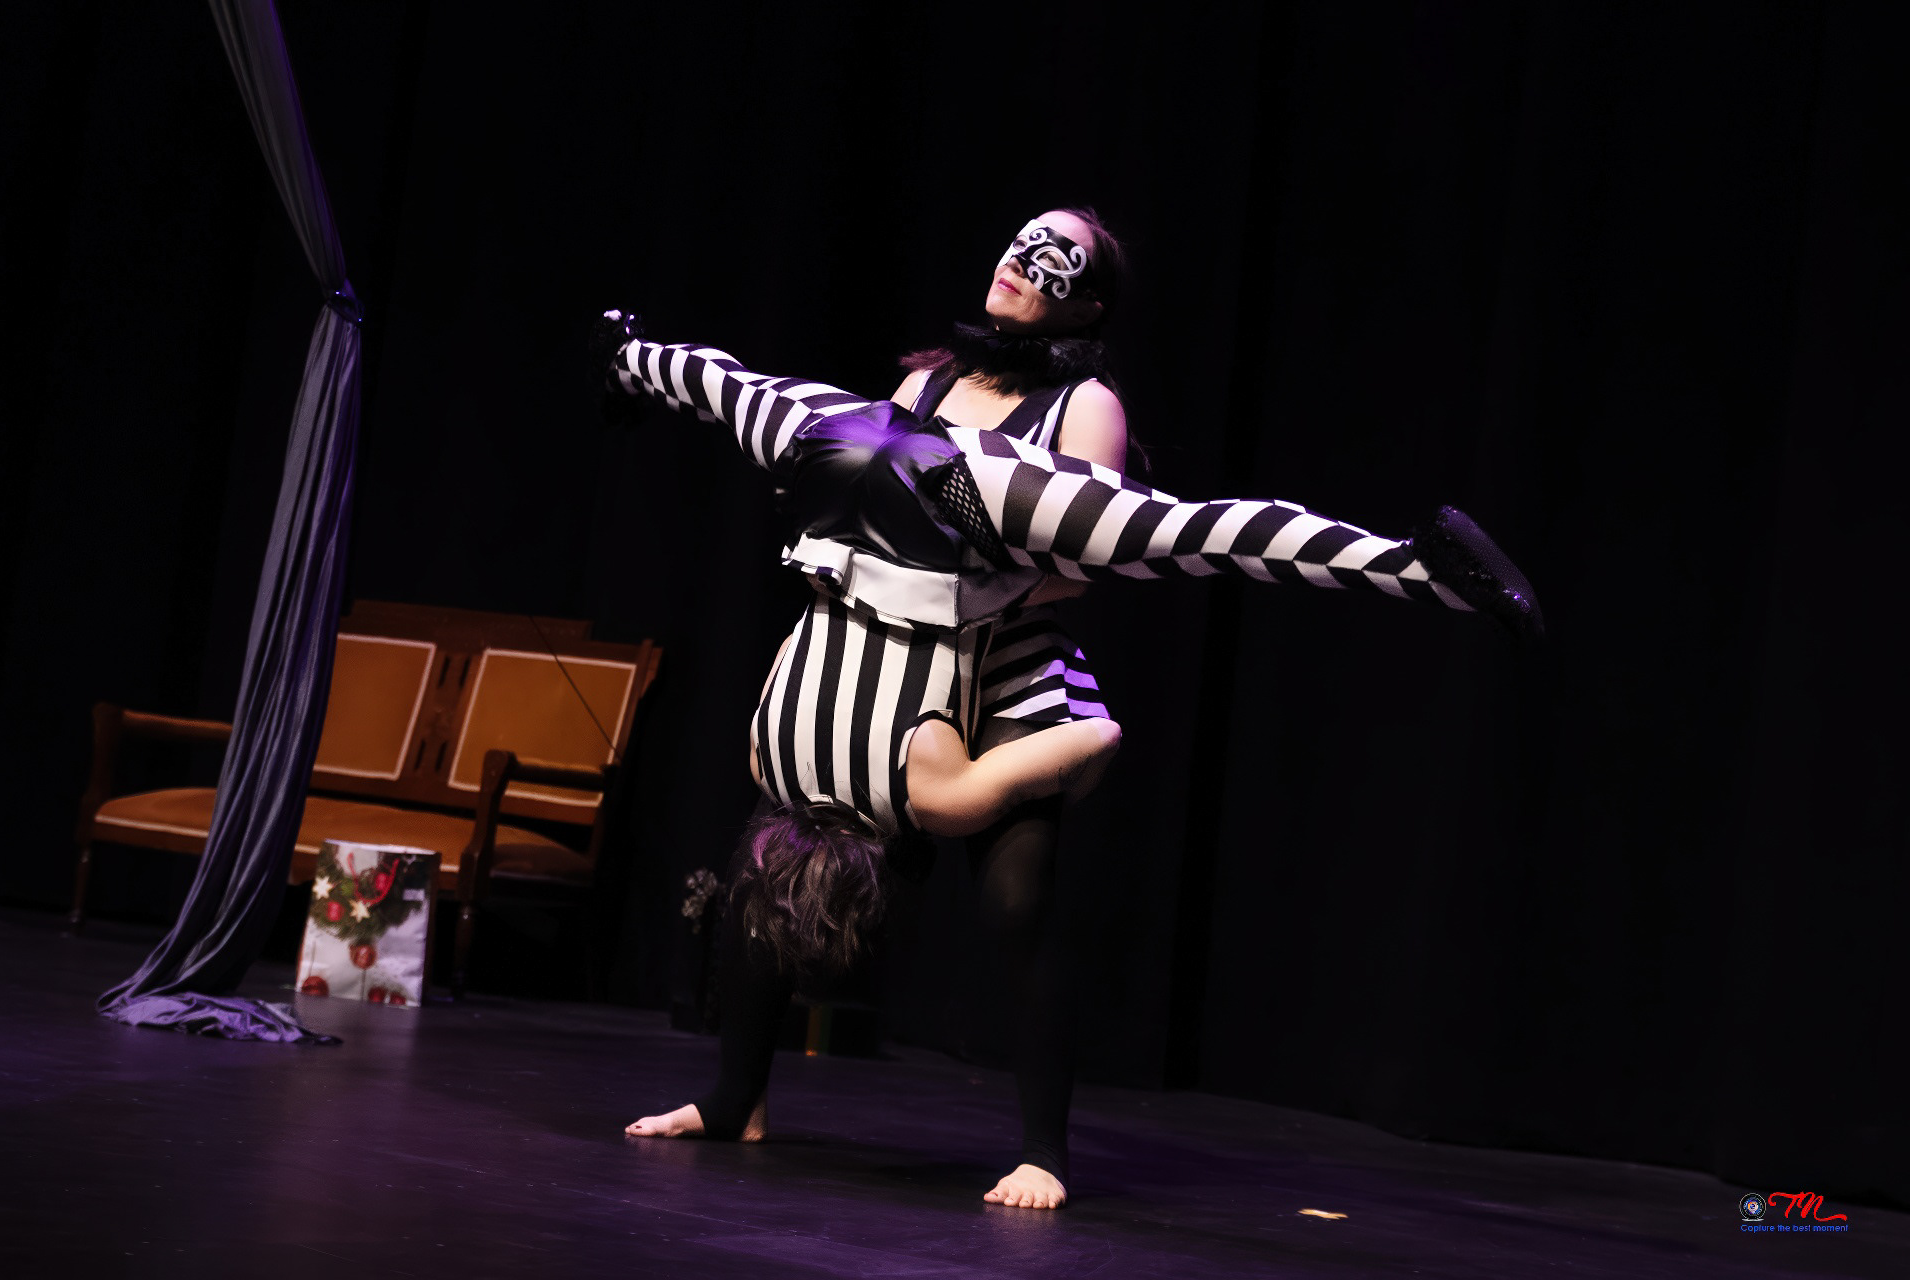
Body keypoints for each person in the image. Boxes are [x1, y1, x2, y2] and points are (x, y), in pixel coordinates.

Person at [604, 211, 1540, 1210]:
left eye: (1054, 258)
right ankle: (734, 1096)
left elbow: (1084, 560)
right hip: (893, 649)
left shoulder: (1085, 405)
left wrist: (972, 579)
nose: (1021, 261)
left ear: (1086, 304)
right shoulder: (926, 384)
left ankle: (1043, 1151)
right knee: (766, 862)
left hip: (1011, 660)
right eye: (1018, 243)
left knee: (1020, 900)